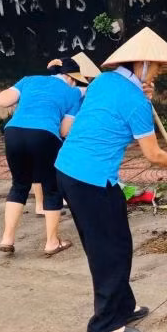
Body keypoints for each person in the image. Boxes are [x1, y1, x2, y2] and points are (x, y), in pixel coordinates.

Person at [54, 27, 167, 332]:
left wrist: (139, 97)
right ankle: (103, 324)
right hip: (89, 179)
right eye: (155, 68)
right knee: (109, 250)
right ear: (141, 64)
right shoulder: (136, 102)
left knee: (114, 244)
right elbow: (153, 155)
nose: (156, 75)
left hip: (72, 170)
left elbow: (105, 108)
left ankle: (123, 306)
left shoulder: (104, 81)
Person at [0, 58, 87, 256]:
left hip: (13, 132)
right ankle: (52, 242)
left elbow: (2, 100)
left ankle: (7, 238)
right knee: (52, 188)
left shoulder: (29, 80)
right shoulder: (73, 94)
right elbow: (63, 130)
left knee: (19, 185)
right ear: (72, 78)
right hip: (44, 135)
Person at [34, 53, 100, 216]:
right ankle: (48, 202)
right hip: (55, 132)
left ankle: (44, 203)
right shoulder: (76, 91)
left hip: (40, 130)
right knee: (52, 167)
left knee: (40, 168)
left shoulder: (45, 86)